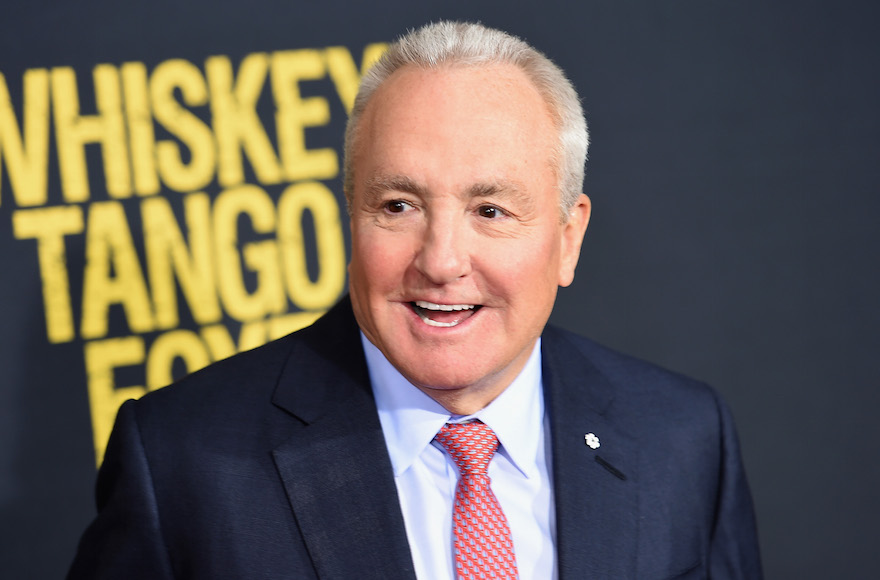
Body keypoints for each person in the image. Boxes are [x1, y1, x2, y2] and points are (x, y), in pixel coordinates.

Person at [68, 21, 762, 579]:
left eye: (490, 210)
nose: (441, 261)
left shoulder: (682, 437)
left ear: (569, 237)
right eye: (398, 205)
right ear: (350, 217)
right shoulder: (182, 462)